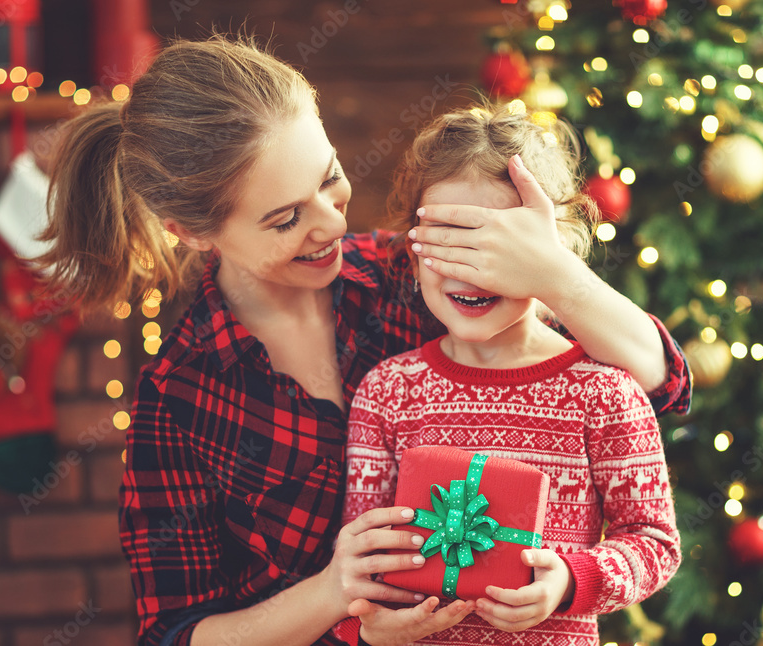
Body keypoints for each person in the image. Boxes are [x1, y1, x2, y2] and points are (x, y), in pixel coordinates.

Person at [37, 33, 690, 646]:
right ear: (193, 232)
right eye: (285, 218)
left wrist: (555, 274)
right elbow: (177, 632)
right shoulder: (180, 394)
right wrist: (332, 595)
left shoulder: (413, 276)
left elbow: (658, 387)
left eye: (328, 178)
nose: (330, 224)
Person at [338, 102, 681, 646]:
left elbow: (655, 542)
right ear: (411, 247)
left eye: (494, 244)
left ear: (554, 248)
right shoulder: (387, 392)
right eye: (447, 239)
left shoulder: (604, 393)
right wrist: (369, 622)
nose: (469, 267)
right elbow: (368, 556)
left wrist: (571, 579)